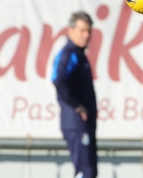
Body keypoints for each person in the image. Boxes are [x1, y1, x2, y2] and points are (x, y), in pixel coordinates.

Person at [52, 11, 98, 178]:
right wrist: (77, 106)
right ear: (70, 31)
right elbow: (58, 79)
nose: (86, 35)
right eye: (82, 30)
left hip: (84, 124)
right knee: (84, 171)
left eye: (89, 31)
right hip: (76, 123)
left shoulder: (79, 55)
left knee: (90, 171)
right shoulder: (69, 53)